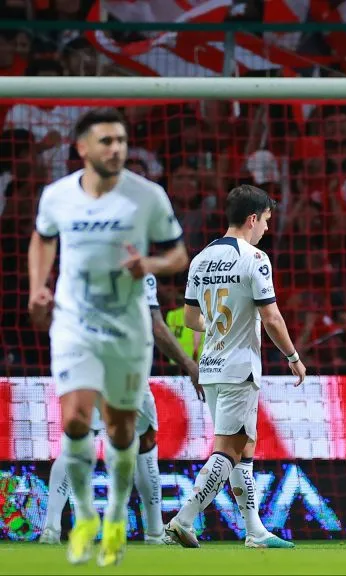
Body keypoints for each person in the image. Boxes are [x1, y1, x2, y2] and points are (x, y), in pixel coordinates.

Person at [28, 107, 189, 566]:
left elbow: (178, 254)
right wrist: (38, 287)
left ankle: (116, 515)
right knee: (75, 420)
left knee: (121, 430)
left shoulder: (147, 196)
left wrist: (149, 264)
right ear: (82, 148)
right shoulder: (57, 196)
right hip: (74, 324)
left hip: (128, 328)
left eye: (121, 140)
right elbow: (43, 238)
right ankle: (84, 517)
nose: (116, 148)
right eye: (106, 141)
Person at [164, 184, 304, 550]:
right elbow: (272, 317)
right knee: (228, 448)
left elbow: (191, 319)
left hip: (210, 365)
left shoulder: (200, 258)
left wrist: (218, 325)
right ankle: (184, 519)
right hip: (239, 368)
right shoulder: (255, 258)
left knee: (245, 448)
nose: (267, 229)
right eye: (266, 221)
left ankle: (255, 530)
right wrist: (292, 357)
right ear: (252, 219)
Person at [40, 274, 201, 546]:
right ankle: (154, 533)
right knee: (145, 440)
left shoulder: (81, 265)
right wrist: (188, 364)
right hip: (123, 365)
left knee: (78, 440)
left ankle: (50, 529)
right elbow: (156, 326)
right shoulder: (138, 272)